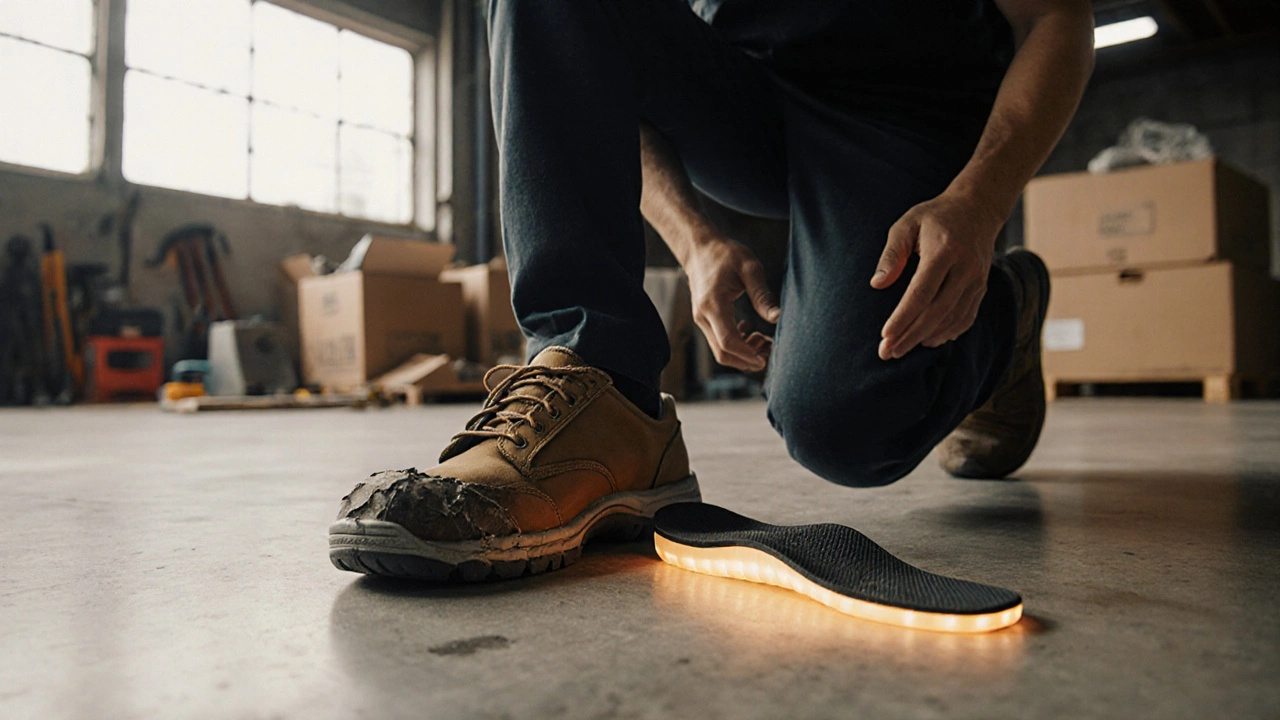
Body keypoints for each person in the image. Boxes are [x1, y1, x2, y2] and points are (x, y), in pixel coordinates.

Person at [328, 0, 1095, 581]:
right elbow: (591, 50)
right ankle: (602, 389)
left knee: (846, 424)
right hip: (748, 98)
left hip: (903, 106)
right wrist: (694, 239)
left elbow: (1058, 16)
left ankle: (1009, 309)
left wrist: (981, 201)